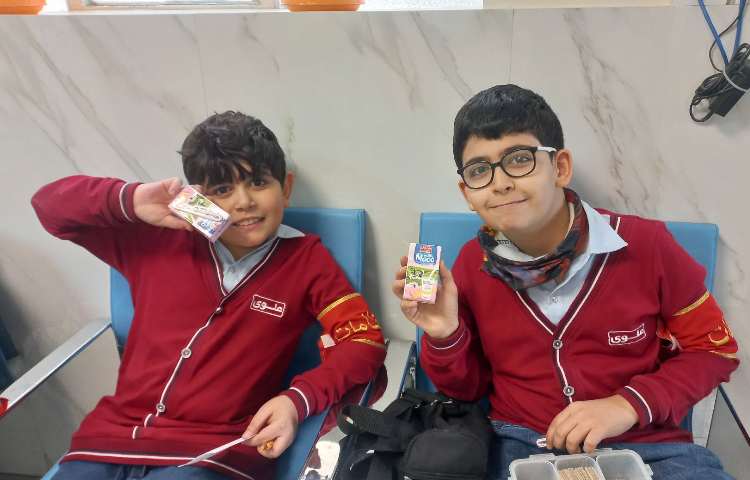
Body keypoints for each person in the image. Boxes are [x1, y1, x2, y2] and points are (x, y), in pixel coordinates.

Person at [392, 85, 739, 479]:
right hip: (520, 448)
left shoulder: (647, 246)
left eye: (519, 160)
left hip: (648, 447)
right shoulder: (473, 265)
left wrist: (628, 404)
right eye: (479, 170)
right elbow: (466, 391)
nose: (500, 182)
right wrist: (444, 334)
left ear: (560, 167)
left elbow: (715, 351)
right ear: (467, 193)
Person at [34, 111, 386, 480]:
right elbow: (49, 208)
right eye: (221, 190)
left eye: (258, 182)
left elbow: (363, 341)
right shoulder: (159, 239)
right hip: (108, 442)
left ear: (285, 187)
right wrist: (132, 200)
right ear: (197, 196)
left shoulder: (306, 260)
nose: (243, 202)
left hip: (214, 454)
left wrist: (297, 400)